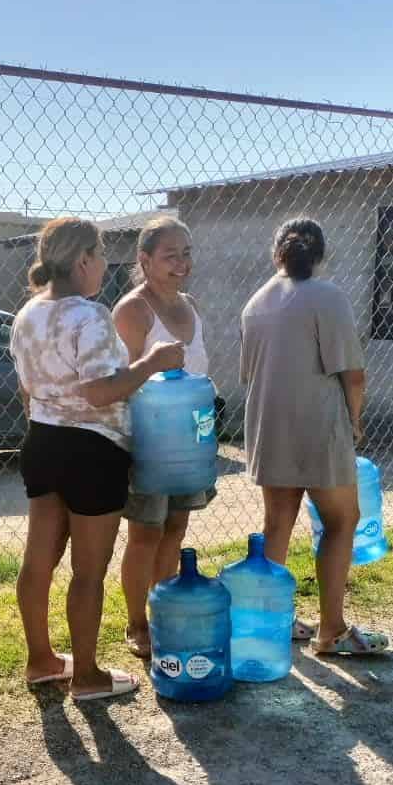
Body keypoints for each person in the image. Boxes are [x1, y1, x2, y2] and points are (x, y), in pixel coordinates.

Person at [10, 217, 185, 702]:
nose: (106, 264)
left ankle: (41, 659)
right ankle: (87, 675)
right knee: (89, 570)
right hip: (92, 452)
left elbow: (28, 391)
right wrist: (152, 364)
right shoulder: (88, 316)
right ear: (83, 259)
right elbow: (100, 391)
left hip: (42, 441)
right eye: (102, 254)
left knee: (38, 560)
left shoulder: (27, 315)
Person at [241, 217, 389, 657]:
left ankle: (273, 623)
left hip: (270, 424)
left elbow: (249, 373)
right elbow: (354, 375)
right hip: (319, 424)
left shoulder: (256, 302)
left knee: (277, 524)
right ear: (321, 255)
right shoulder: (328, 297)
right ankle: (332, 630)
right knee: (342, 520)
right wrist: (355, 422)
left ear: (277, 254)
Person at [114, 217, 231, 657]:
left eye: (187, 252)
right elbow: (120, 380)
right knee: (145, 533)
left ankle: (161, 609)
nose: (182, 263)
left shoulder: (191, 304)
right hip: (148, 445)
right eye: (170, 255)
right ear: (144, 260)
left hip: (192, 444)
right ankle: (135, 622)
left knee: (176, 528)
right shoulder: (133, 310)